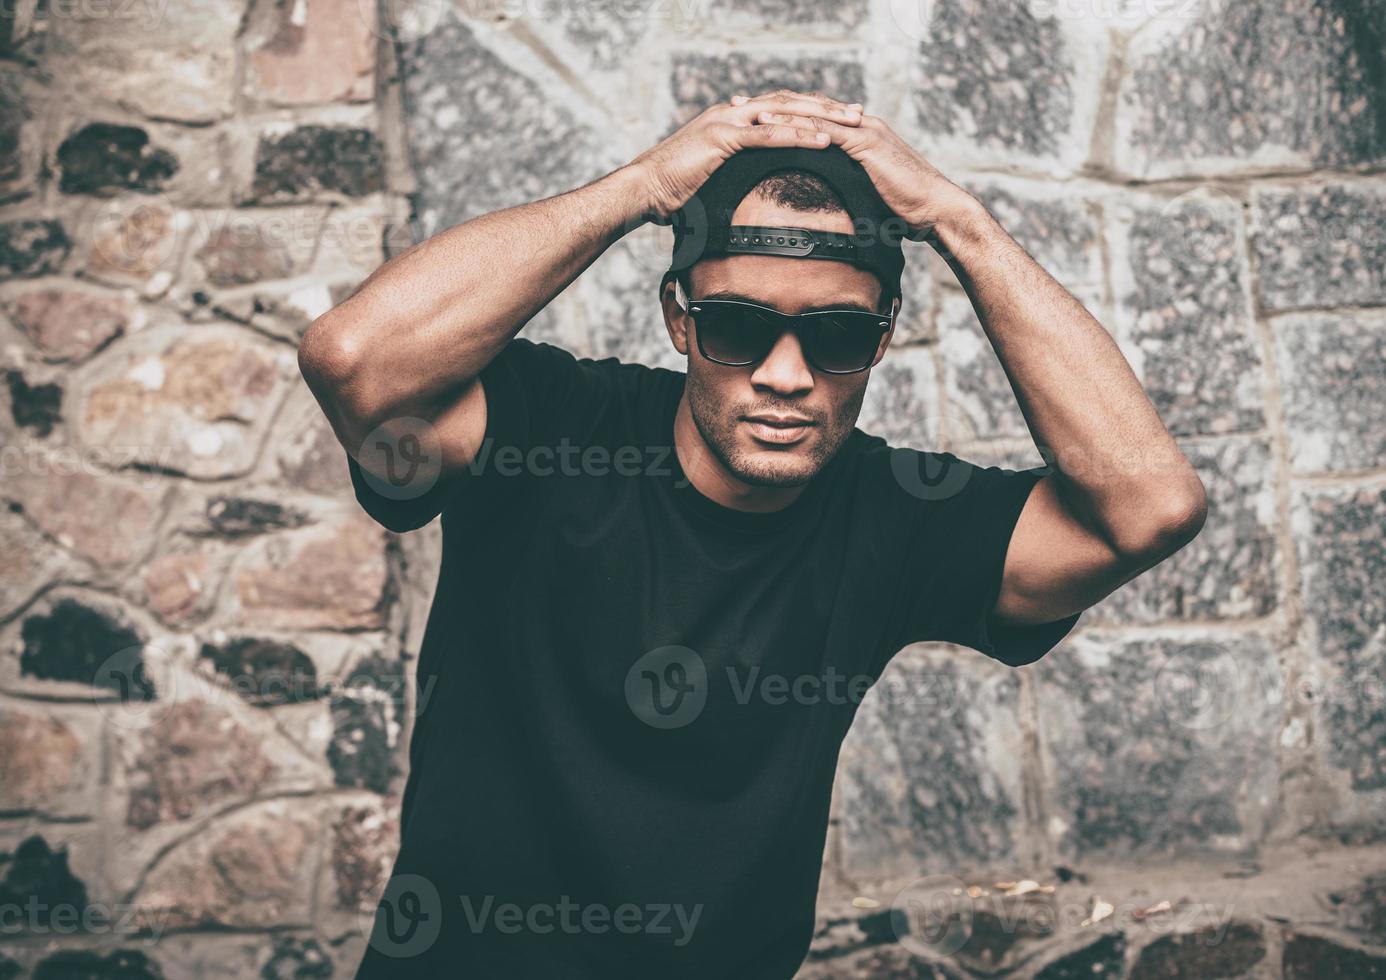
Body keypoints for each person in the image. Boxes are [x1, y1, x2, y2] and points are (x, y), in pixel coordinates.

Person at [298, 88, 1208, 979]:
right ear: (677, 320)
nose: (785, 374)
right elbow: (355, 361)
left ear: (882, 340)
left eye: (836, 337)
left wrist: (956, 220)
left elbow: (1150, 508)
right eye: (737, 325)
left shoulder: (894, 514)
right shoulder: (547, 428)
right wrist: (644, 185)